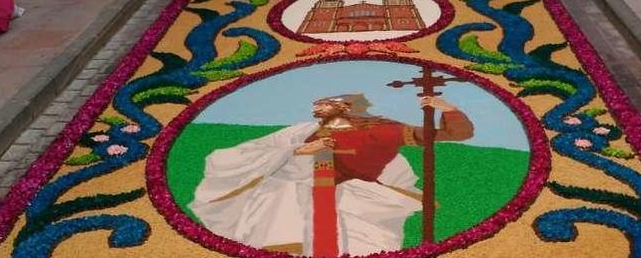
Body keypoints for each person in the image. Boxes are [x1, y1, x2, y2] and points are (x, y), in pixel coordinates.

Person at [189, 93, 473, 255]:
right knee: (278, 195)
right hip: (297, 188)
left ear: (343, 107)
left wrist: (446, 107)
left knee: (362, 243)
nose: (317, 107)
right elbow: (260, 149)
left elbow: (457, 133)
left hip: (355, 195)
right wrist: (300, 150)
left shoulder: (383, 130)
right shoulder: (303, 131)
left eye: (324, 103)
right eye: (317, 104)